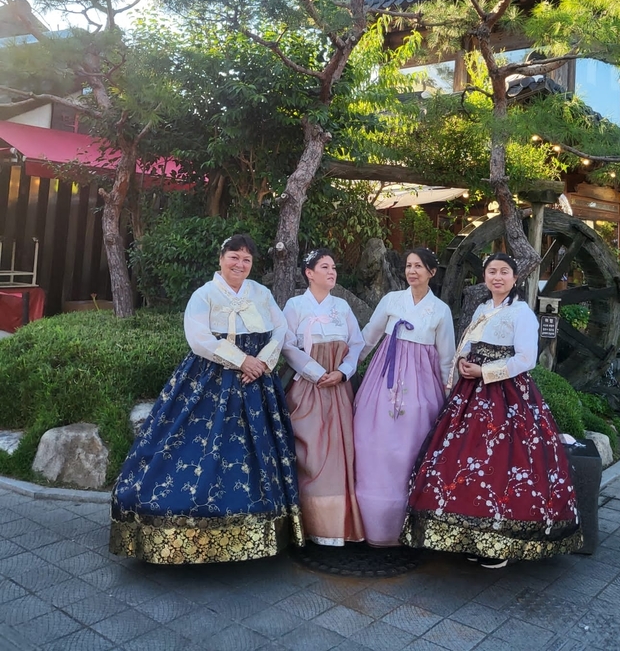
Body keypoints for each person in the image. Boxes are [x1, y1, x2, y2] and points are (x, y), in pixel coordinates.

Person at [110, 234, 303, 564]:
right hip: (212, 378)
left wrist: (263, 362)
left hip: (257, 381)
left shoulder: (262, 293)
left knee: (255, 450)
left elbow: (281, 329)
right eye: (234, 257)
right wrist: (242, 360)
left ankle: (261, 528)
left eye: (246, 260)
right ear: (221, 258)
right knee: (197, 446)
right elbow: (198, 337)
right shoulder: (204, 295)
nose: (240, 264)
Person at [401, 252, 582, 566]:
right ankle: (471, 535)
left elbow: (526, 359)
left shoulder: (522, 313)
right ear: (484, 277)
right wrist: (463, 363)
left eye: (504, 272)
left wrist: (485, 373)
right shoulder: (483, 308)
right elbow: (468, 344)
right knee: (465, 464)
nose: (497, 277)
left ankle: (500, 543)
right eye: (491, 272)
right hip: (470, 394)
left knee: (500, 466)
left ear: (515, 278)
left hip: (507, 397)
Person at [353, 248, 455, 547]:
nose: (412, 271)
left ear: (432, 272)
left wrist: (449, 392)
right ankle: (367, 519)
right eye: (409, 266)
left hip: (420, 383)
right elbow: (369, 336)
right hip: (383, 376)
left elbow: (446, 356)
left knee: (409, 446)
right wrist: (347, 368)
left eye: (419, 267)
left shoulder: (440, 310)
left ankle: (406, 521)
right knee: (372, 441)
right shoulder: (391, 300)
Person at [282, 248, 365, 546]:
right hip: (308, 386)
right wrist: (317, 372)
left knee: (341, 452)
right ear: (309, 272)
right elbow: (287, 345)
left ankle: (337, 526)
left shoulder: (341, 307)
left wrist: (342, 372)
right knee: (311, 452)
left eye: (333, 267)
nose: (332, 272)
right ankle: (308, 523)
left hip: (338, 387)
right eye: (325, 267)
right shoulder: (293, 306)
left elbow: (357, 343)